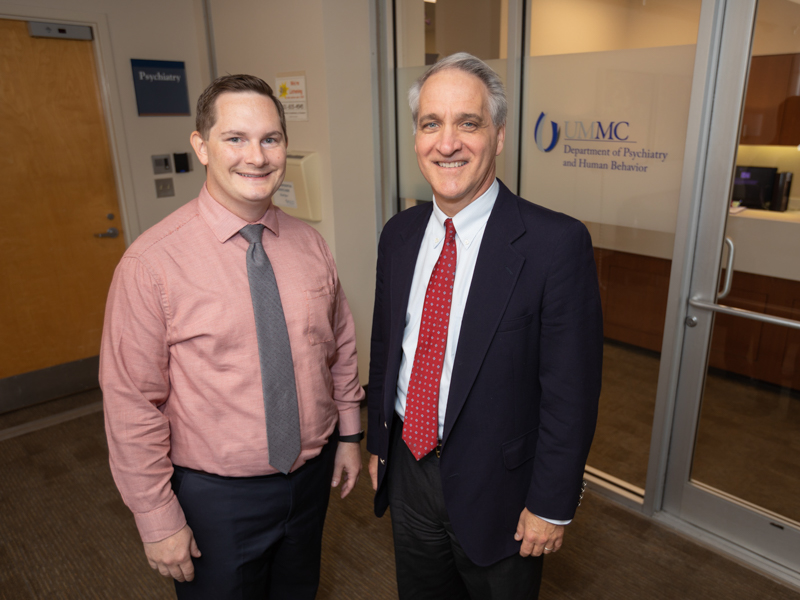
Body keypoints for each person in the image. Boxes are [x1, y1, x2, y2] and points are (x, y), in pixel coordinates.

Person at [100, 74, 365, 600]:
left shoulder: (310, 245)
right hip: (215, 499)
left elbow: (339, 348)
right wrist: (157, 518)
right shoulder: (151, 264)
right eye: (235, 139)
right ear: (201, 146)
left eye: (270, 139)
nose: (257, 156)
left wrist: (351, 435)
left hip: (310, 481)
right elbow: (132, 403)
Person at [366, 53, 603, 599]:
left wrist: (551, 503)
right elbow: (387, 347)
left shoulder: (555, 245)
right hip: (409, 467)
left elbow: (571, 395)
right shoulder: (398, 235)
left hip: (501, 488)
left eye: (467, 123)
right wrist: (382, 442)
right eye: (431, 124)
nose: (447, 143)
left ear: (497, 136)